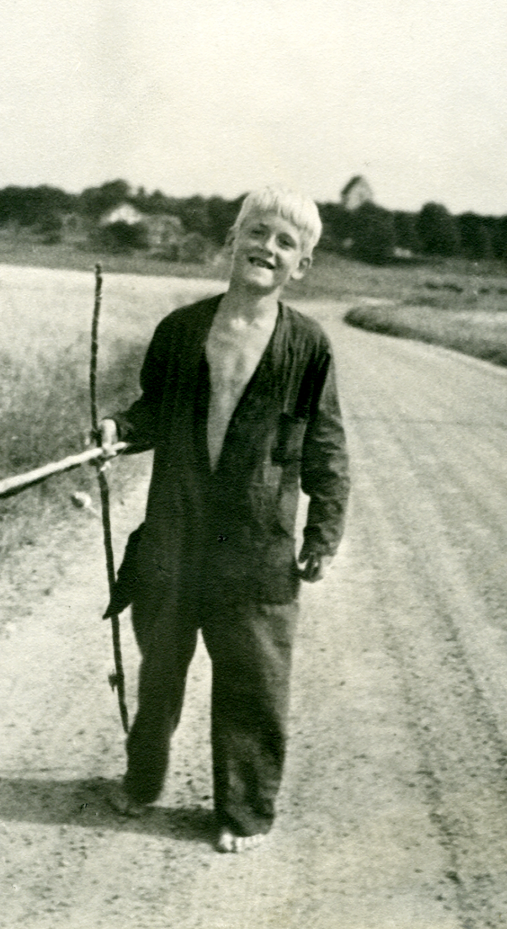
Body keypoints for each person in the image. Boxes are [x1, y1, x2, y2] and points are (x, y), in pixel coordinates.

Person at [99, 186, 350, 853]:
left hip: (257, 543)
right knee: (159, 671)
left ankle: (243, 812)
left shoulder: (308, 345)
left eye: (286, 243)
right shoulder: (181, 331)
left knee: (254, 681)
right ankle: (143, 780)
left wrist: (324, 532)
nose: (268, 247)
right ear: (233, 241)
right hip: (174, 534)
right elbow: (150, 412)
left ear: (301, 266)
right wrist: (116, 429)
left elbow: (327, 446)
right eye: (258, 232)